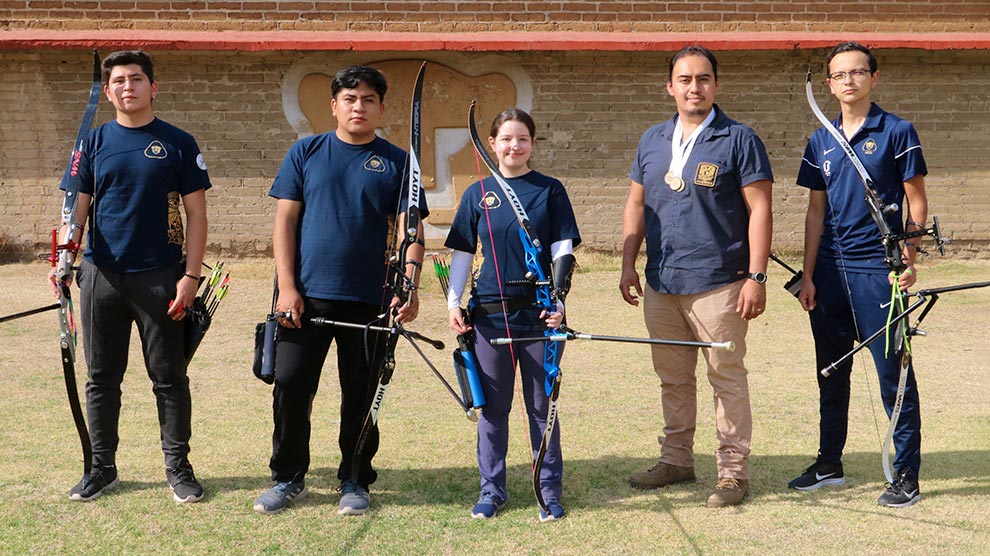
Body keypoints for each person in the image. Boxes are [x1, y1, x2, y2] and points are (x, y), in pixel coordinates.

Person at [253, 65, 427, 516]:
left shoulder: (397, 162)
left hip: (372, 298)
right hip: (305, 297)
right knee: (290, 385)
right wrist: (287, 287)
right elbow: (285, 221)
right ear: (334, 106)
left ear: (381, 107)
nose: (358, 106)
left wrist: (409, 286)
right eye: (349, 99)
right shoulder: (306, 152)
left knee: (362, 393)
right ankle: (288, 477)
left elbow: (413, 231)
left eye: (368, 99)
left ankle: (355, 478)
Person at [49, 50, 211, 503]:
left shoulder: (178, 142)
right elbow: (76, 208)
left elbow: (196, 215)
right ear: (107, 91)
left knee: (170, 377)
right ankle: (102, 467)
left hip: (161, 276)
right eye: (118, 81)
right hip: (101, 275)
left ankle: (178, 469)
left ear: (153, 87)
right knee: (102, 378)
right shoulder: (93, 143)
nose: (127, 87)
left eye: (137, 79)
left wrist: (191, 277)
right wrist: (64, 259)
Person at [620, 45, 773, 508]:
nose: (694, 87)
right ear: (670, 87)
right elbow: (635, 204)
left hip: (720, 281)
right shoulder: (651, 139)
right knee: (673, 378)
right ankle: (676, 459)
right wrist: (628, 262)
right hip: (662, 283)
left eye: (703, 79)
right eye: (684, 80)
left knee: (725, 377)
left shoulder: (738, 138)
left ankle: (732, 472)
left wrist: (757, 276)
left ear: (716, 86)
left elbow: (760, 208)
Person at [788, 42, 928, 509]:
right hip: (829, 271)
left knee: (894, 375)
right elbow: (814, 212)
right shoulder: (820, 139)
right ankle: (829, 463)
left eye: (857, 72)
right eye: (839, 75)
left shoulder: (897, 131)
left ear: (874, 77)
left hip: (876, 269)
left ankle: (906, 474)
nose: (849, 80)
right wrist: (807, 275)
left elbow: (916, 200)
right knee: (831, 372)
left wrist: (908, 258)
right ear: (828, 84)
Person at [444, 108, 581, 521]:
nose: (514, 146)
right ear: (492, 144)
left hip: (539, 316)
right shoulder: (477, 194)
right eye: (506, 139)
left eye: (522, 139)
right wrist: (453, 302)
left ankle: (548, 491)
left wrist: (558, 299)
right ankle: (492, 490)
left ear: (532, 144)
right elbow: (464, 253)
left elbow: (562, 248)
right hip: (489, 314)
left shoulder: (549, 190)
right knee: (493, 408)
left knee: (543, 407)